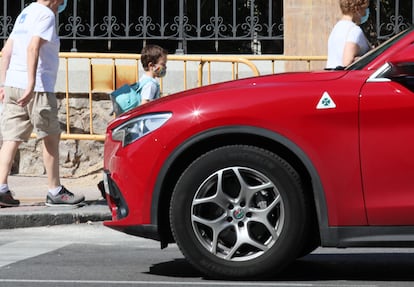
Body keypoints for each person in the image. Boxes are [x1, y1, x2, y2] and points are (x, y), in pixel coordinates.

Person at [0, 0, 85, 207]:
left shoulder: (26, 13)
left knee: (11, 138)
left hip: (12, 84)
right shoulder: (46, 15)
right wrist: (31, 83)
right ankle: (55, 190)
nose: (63, 5)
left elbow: (6, 51)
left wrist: (3, 83)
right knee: (50, 137)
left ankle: (1, 189)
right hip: (37, 86)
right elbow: (33, 47)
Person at [326, 0, 371, 69]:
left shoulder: (337, 27)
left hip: (332, 75)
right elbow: (347, 63)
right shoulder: (354, 30)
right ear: (357, 9)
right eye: (364, 9)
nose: (365, 14)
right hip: (347, 77)